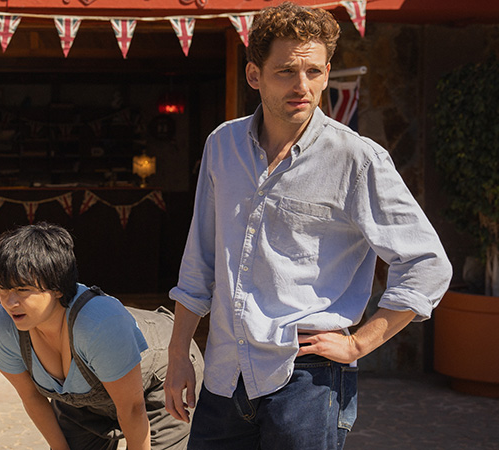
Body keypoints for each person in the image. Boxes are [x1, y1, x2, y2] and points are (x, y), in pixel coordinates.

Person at [164, 3, 453, 449]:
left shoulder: (357, 159)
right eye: (285, 71)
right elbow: (199, 261)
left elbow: (428, 264)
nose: (303, 86)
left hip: (308, 378)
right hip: (225, 373)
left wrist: (359, 344)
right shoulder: (222, 145)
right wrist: (179, 352)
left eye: (314, 72)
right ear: (254, 75)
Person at [0, 223, 204, 450]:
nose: (10, 303)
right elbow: (32, 397)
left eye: (23, 290)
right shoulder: (5, 325)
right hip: (83, 404)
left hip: (159, 380)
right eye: (3, 288)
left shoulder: (98, 325)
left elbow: (132, 408)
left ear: (57, 287)